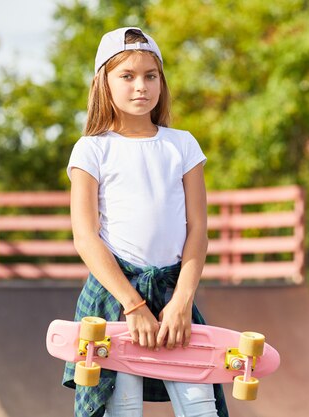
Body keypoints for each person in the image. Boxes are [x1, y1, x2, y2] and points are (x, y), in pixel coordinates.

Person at [61, 27, 228, 417]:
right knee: (123, 405)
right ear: (104, 82)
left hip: (174, 291)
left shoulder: (182, 145)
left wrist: (182, 302)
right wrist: (133, 305)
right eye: (127, 76)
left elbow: (198, 230)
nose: (141, 86)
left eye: (150, 75)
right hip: (116, 297)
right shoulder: (92, 149)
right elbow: (86, 238)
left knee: (200, 403)